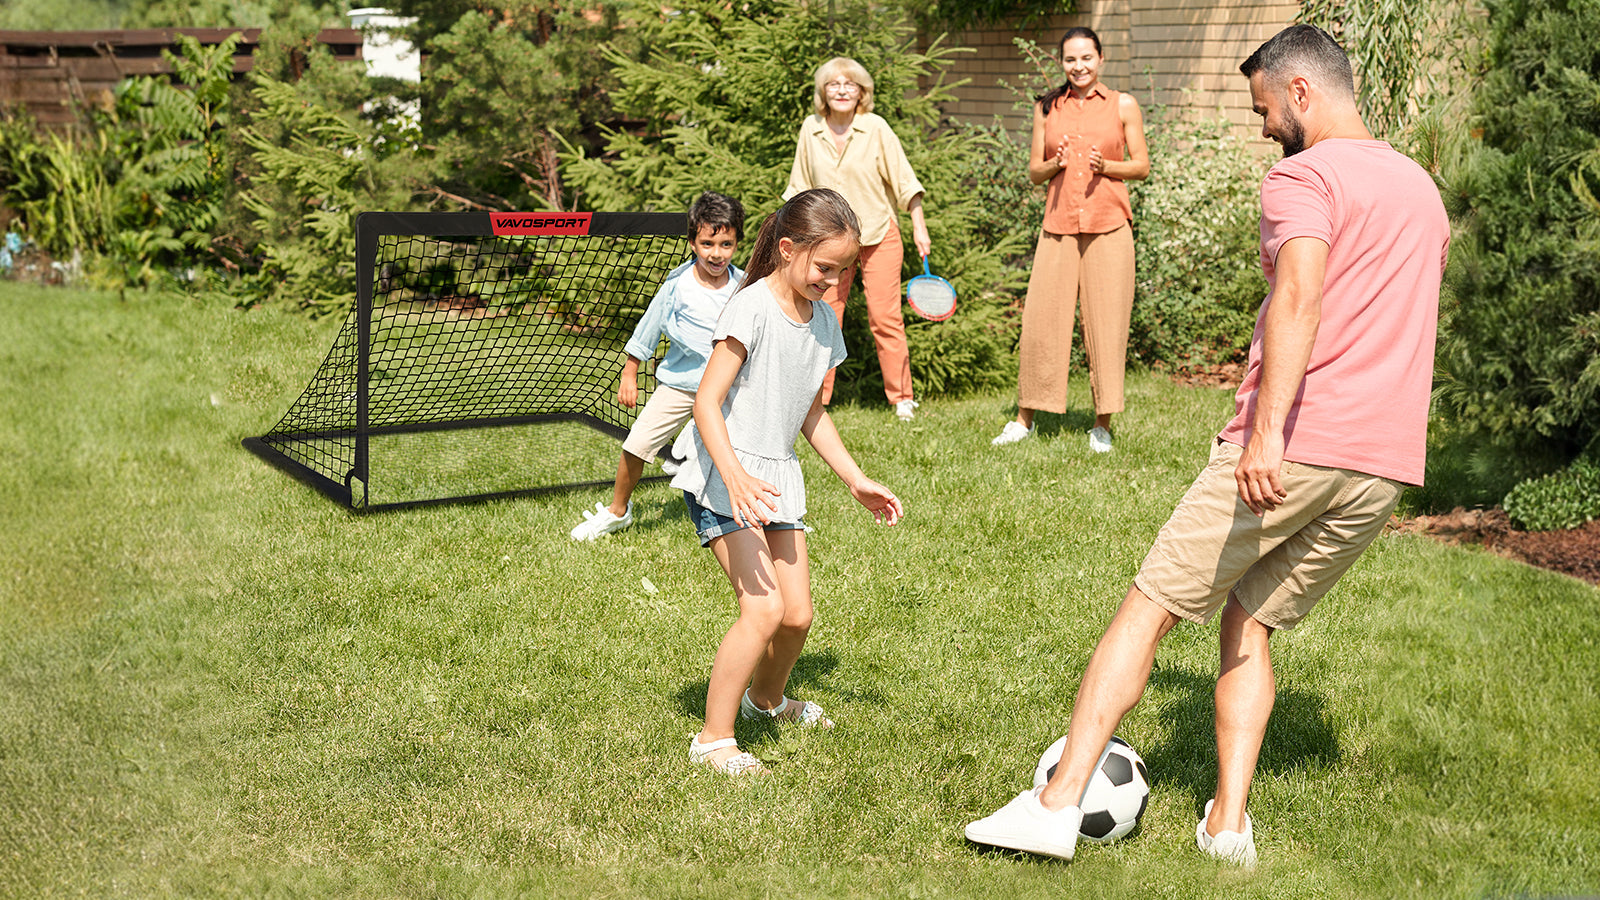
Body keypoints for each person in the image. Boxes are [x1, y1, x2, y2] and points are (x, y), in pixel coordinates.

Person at [964, 24, 1449, 864]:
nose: (1264, 127)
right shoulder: (1420, 187)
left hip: (1295, 444)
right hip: (1382, 465)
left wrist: (1266, 437)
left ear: (1301, 92)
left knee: (1148, 608)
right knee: (1249, 621)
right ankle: (1227, 827)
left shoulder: (1305, 175)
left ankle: (1056, 804)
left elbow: (1299, 300)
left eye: (1266, 108)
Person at [671, 188, 904, 775]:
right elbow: (706, 402)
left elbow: (810, 411)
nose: (832, 282)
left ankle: (765, 701)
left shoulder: (824, 320)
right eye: (824, 268)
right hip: (727, 474)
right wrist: (735, 476)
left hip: (777, 476)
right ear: (786, 249)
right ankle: (714, 738)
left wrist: (855, 479)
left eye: (842, 271)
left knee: (797, 614)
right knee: (764, 610)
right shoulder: (749, 308)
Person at [991, 27, 1148, 454]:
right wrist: (1054, 163)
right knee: (1041, 321)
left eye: (1086, 58)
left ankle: (1102, 424)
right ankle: (1025, 418)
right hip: (1057, 226)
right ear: (1061, 62)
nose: (1079, 66)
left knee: (1106, 324)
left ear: (1101, 59)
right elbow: (1034, 172)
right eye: (1070, 59)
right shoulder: (1047, 107)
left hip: (1109, 225)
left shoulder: (1123, 105)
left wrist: (1108, 165)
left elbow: (1142, 166)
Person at [569, 192, 746, 540]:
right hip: (681, 384)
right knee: (636, 444)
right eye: (707, 243)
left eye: (726, 244)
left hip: (727, 388)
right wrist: (629, 373)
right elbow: (647, 330)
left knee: (751, 451)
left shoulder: (743, 286)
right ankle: (617, 511)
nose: (716, 253)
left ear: (737, 243)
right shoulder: (677, 285)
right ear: (693, 242)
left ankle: (770, 515)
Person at [784, 57, 931, 422]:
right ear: (823, 92)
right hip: (826, 242)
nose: (842, 90)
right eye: (834, 84)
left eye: (851, 84)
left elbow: (904, 180)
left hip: (878, 234)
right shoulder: (810, 128)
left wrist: (919, 224)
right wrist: (787, 234)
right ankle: (815, 399)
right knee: (822, 316)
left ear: (862, 92)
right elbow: (799, 187)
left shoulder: (876, 127)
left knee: (886, 318)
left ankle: (902, 400)